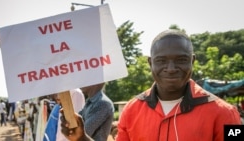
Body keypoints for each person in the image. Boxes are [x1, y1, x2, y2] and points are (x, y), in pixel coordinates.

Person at [60, 29, 241, 141]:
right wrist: (81, 138)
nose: (170, 68)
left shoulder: (226, 113)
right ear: (150, 63)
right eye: (161, 60)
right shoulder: (132, 111)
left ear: (192, 61)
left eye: (181, 60)